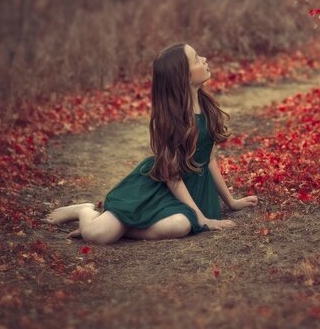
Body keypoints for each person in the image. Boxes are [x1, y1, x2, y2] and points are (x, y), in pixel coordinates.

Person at [45, 43, 258, 244]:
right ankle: (84, 211)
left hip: (193, 192)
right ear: (183, 76)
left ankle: (123, 229)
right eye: (196, 59)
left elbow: (208, 159)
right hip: (158, 186)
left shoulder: (206, 106)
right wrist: (201, 219)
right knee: (97, 235)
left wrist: (230, 202)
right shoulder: (171, 120)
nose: (204, 59)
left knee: (181, 225)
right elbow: (172, 177)